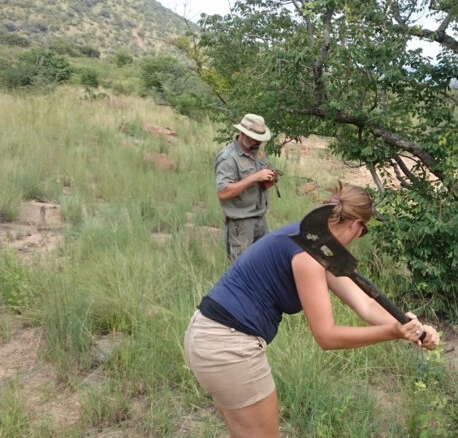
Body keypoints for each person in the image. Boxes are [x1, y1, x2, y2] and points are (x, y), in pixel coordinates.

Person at [184, 183, 440, 438]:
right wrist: (393, 332)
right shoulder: (308, 253)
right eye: (363, 232)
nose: (358, 239)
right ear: (355, 225)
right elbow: (326, 336)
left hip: (209, 338)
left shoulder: (314, 242)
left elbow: (367, 304)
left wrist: (415, 329)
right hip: (228, 347)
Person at [214, 113, 278, 262]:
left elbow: (266, 172)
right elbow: (223, 193)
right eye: (255, 138)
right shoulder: (228, 158)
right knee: (241, 268)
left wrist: (271, 177)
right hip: (240, 222)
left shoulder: (258, 151)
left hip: (260, 218)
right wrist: (255, 177)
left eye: (260, 139)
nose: (259, 143)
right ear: (243, 134)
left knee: (263, 263)